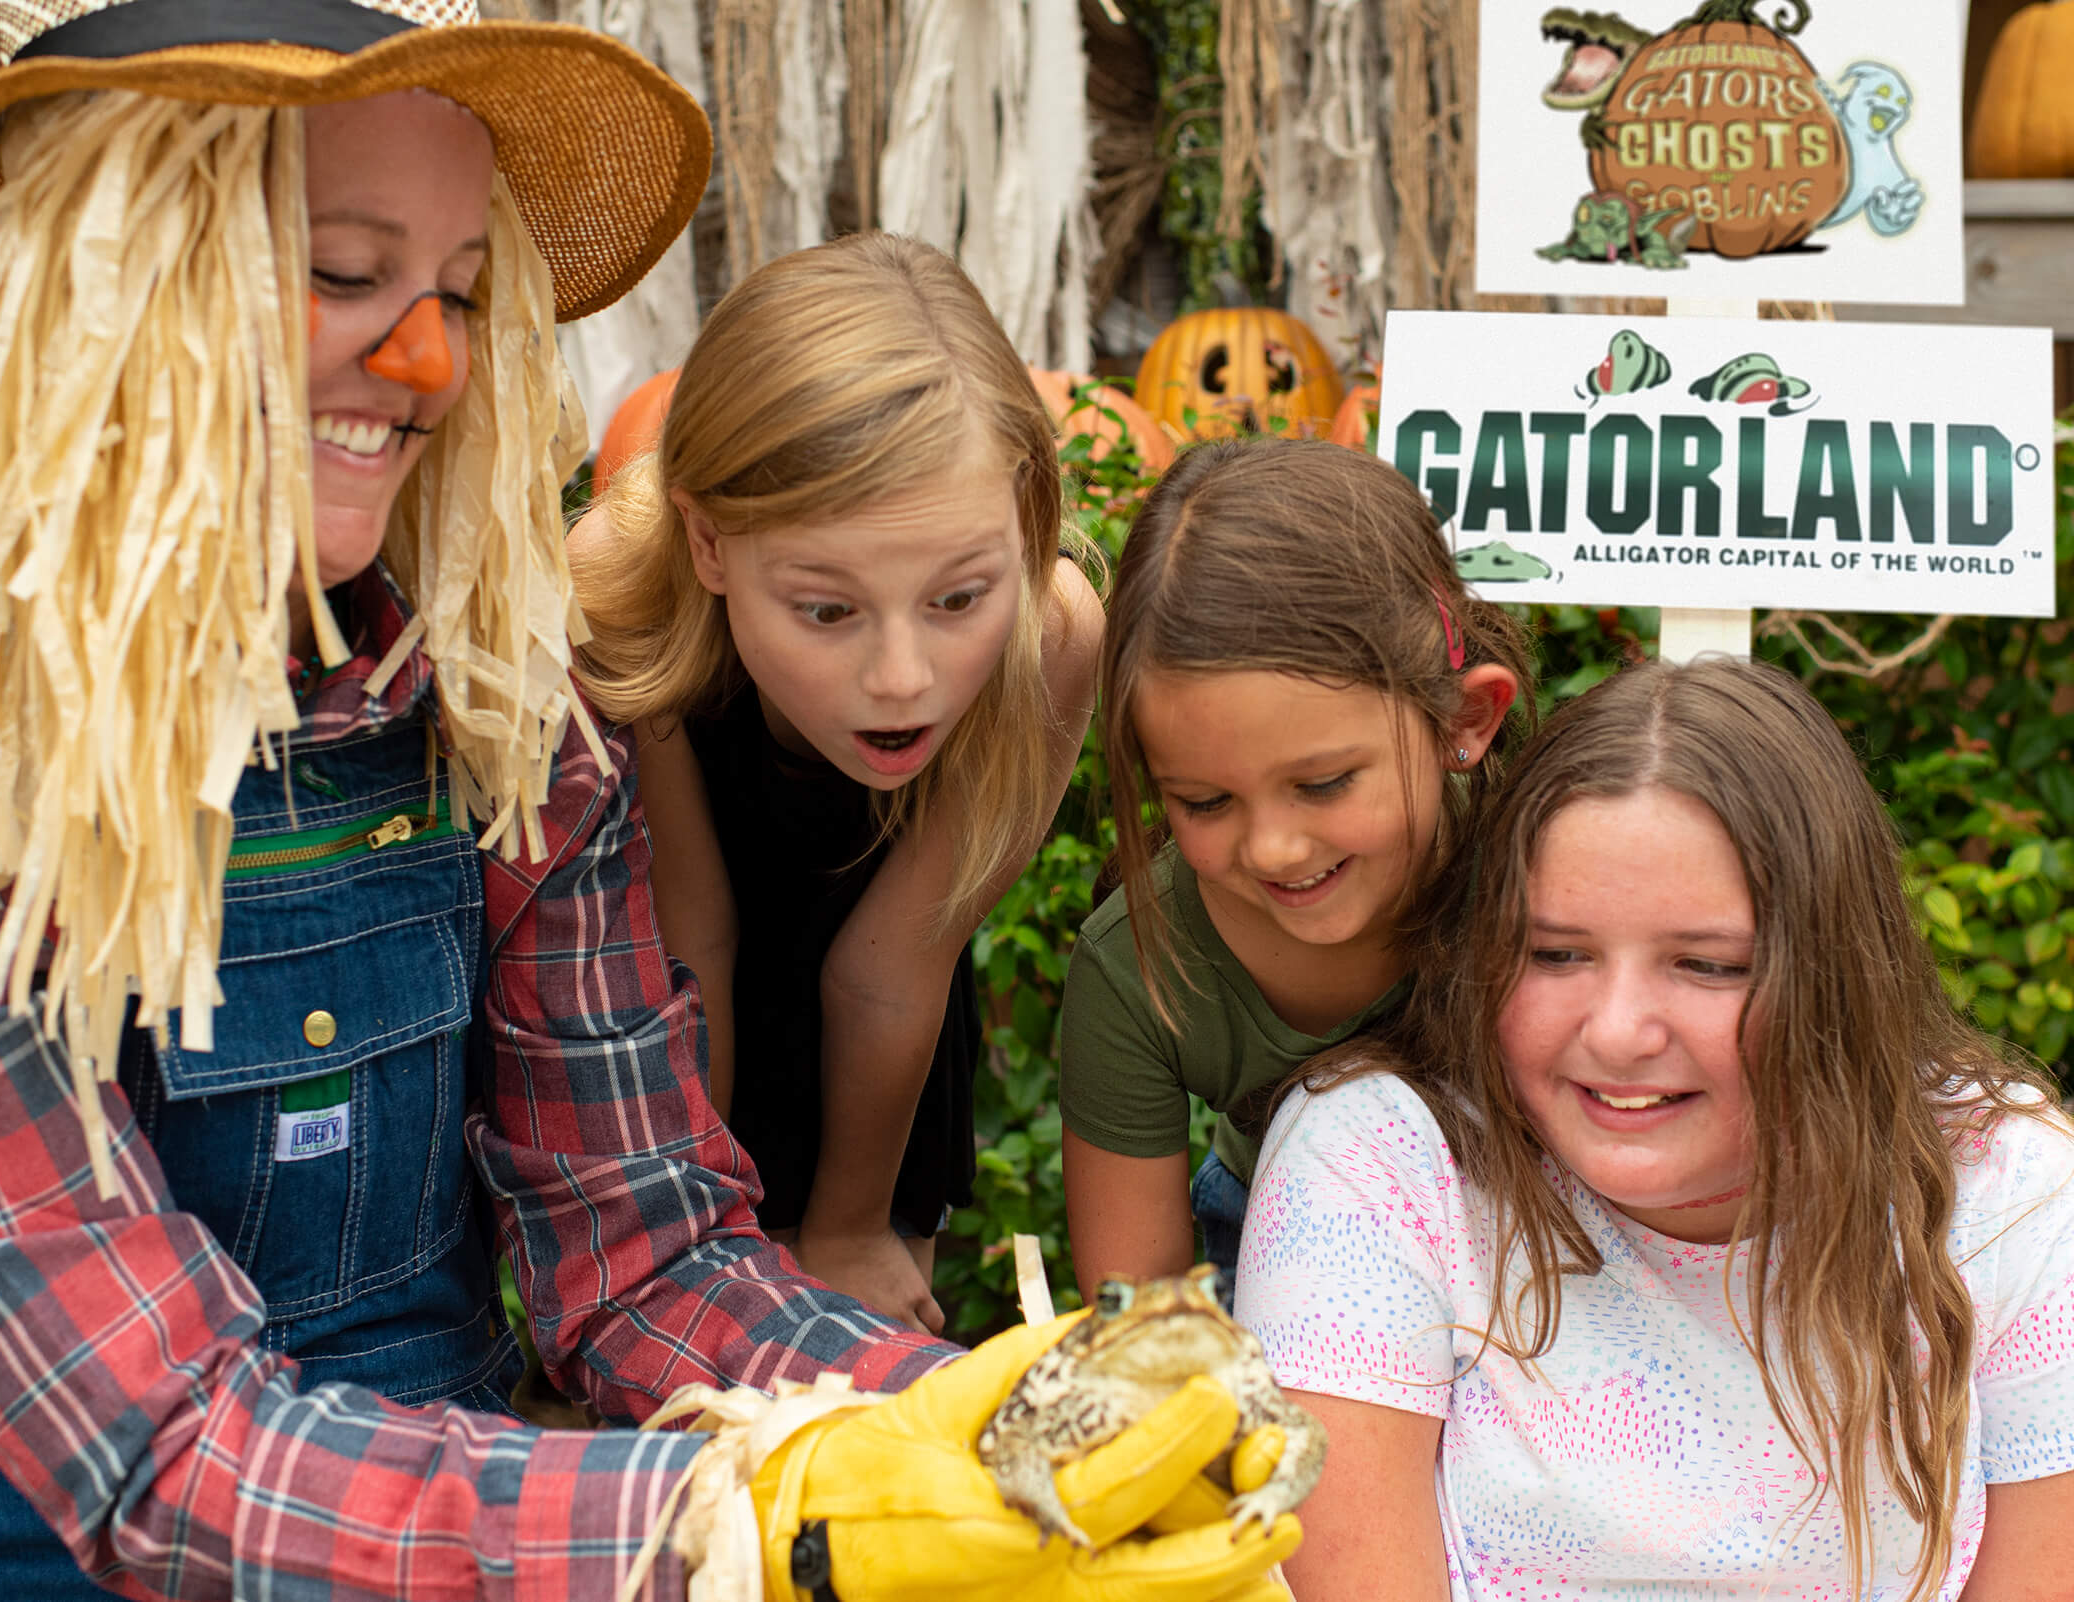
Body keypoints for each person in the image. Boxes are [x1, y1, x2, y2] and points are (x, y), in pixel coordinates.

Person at [0, 5, 1291, 1599]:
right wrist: (757, 1516)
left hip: (448, 1524)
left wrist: (995, 1428)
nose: (425, 358)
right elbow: (163, 1446)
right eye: (345, 274)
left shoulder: (501, 700)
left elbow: (645, 1256)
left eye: (457, 290)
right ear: (113, 274)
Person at [1238, 658, 2074, 1601]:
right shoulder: (1384, 1162)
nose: (1618, 1032)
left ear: (1837, 977)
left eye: (1706, 966)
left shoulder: (2009, 1189)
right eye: (1556, 954)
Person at [568, 233, 1104, 1333]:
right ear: (709, 544)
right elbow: (690, 934)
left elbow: (895, 960)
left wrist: (852, 1230)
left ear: (1027, 519)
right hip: (681, 1032)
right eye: (827, 611)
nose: (903, 680)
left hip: (888, 1064)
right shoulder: (622, 603)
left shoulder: (1050, 636)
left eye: (958, 599)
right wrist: (695, 1253)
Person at [1057, 439, 1526, 1301]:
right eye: (1204, 801)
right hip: (1273, 1255)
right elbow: (1144, 1328)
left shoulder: (1554, 885)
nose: (1273, 848)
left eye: (1323, 784)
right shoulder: (1134, 974)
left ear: (1464, 717)